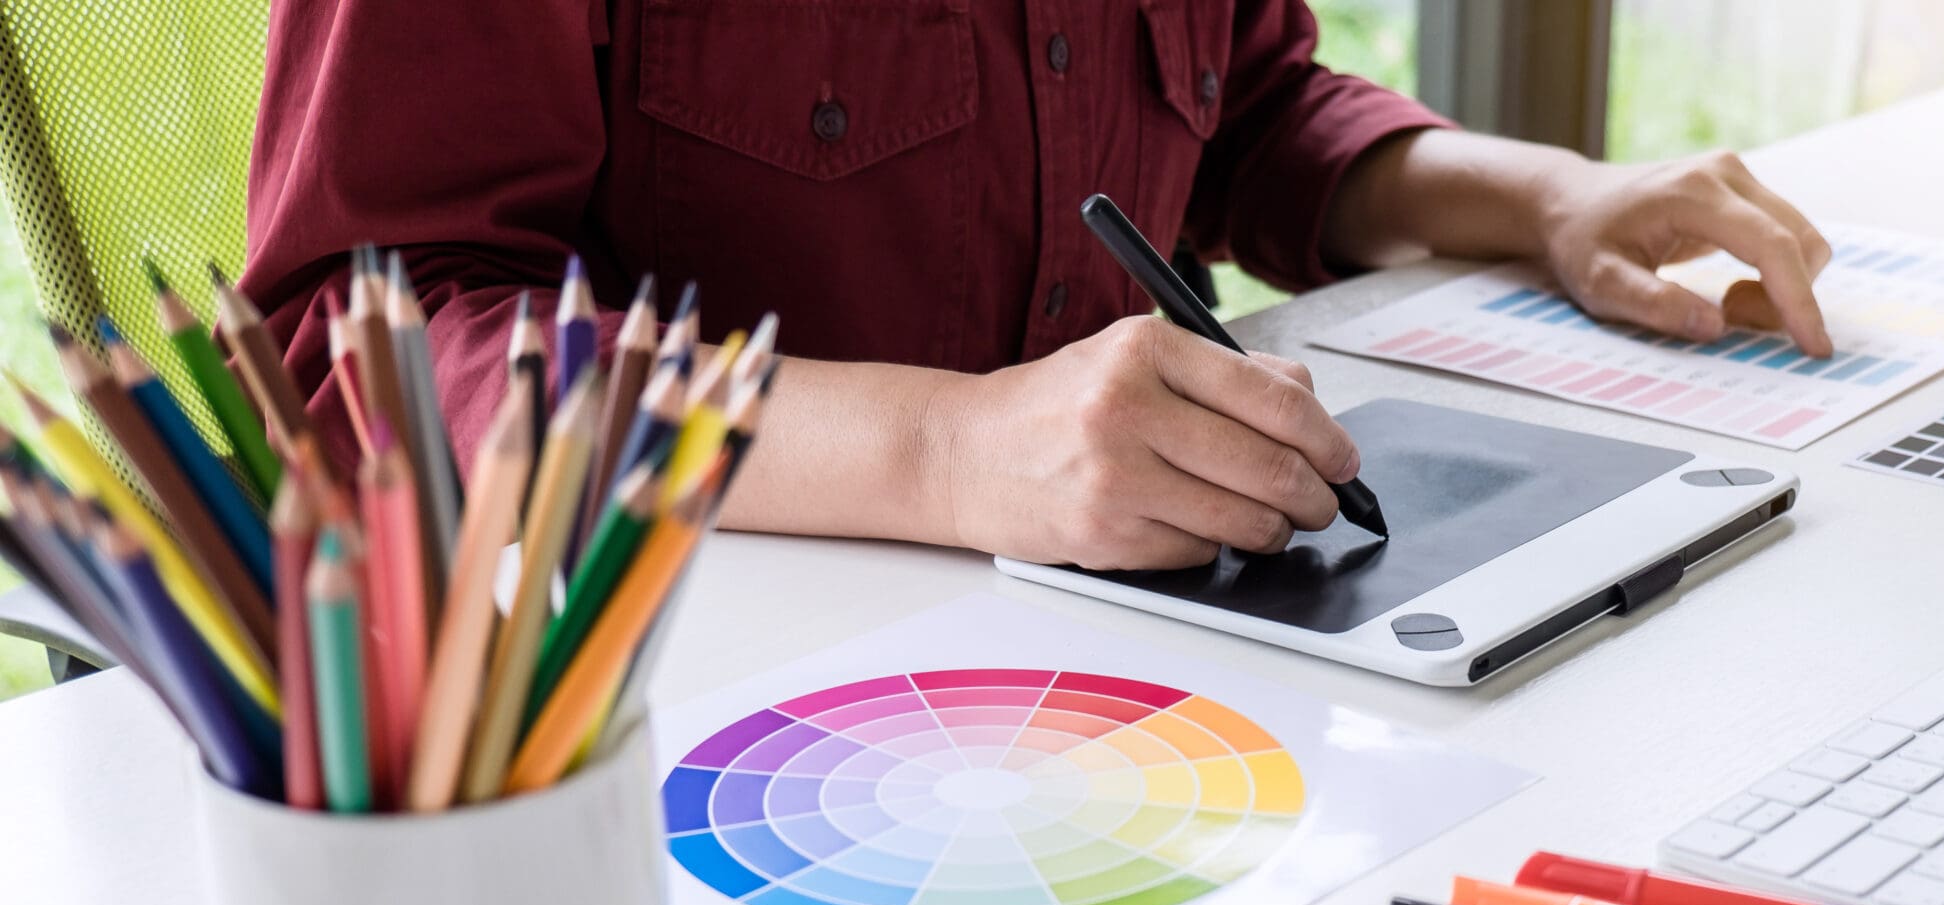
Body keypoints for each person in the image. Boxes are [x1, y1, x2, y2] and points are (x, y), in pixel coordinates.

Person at [243, 1, 1831, 570]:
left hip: (1153, 661)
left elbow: (1246, 115)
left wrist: (1546, 198)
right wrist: (944, 451)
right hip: (692, 712)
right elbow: (369, 338)